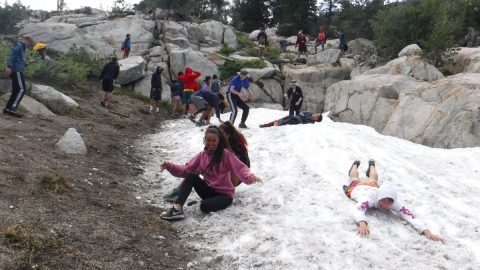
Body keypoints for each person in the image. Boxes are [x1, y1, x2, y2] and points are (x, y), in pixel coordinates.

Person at [160, 125, 262, 220]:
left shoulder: (225, 154)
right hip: (209, 192)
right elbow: (186, 169)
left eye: (214, 141)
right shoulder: (202, 155)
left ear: (218, 141)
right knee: (191, 176)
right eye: (209, 140)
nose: (211, 143)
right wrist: (169, 166)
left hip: (224, 195)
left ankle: (207, 203)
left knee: (204, 206)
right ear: (205, 140)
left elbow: (240, 168)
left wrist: (251, 177)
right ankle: (177, 209)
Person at [343, 160, 443, 241]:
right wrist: (362, 223)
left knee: (373, 179)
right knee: (354, 178)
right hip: (358, 187)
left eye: (389, 202)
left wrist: (426, 231)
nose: (386, 205)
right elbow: (358, 209)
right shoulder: (369, 199)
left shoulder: (393, 202)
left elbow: (409, 216)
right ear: (380, 197)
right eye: (384, 201)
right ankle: (355, 165)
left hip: (373, 187)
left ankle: (372, 165)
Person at [163, 121, 251, 202]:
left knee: (225, 167)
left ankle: (221, 193)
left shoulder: (235, 148)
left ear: (227, 135)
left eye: (219, 136)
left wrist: (248, 176)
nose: (216, 137)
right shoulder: (215, 145)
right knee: (197, 167)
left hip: (238, 174)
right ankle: (179, 190)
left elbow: (239, 167)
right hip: (227, 173)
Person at [3, 36, 35, 117]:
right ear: (26, 40)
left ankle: (7, 108)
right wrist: (9, 66)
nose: (30, 45)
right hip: (16, 71)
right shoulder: (19, 45)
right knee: (22, 89)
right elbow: (12, 55)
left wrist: (27, 63)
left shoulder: (22, 49)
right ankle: (13, 107)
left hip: (17, 70)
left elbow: (20, 63)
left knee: (16, 90)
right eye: (30, 42)